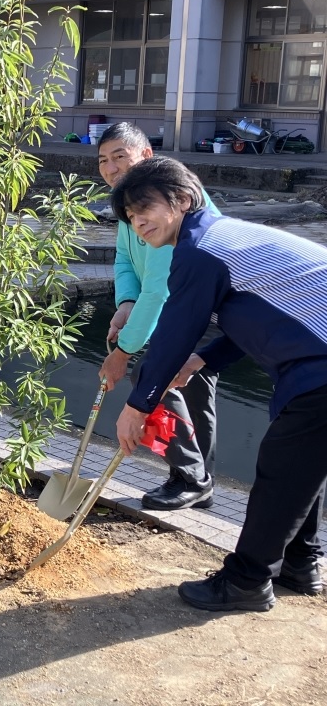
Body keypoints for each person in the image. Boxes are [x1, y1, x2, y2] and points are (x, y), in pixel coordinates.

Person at [110, 156, 327, 611]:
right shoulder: (223, 239)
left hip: (319, 368)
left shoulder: (201, 248)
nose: (137, 221)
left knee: (282, 471)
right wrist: (204, 358)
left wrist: (137, 405)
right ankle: (300, 563)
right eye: (130, 216)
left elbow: (175, 331)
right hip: (312, 362)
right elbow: (263, 315)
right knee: (299, 468)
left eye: (143, 207)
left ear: (183, 200)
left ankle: (246, 582)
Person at [96, 123, 220, 510]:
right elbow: (125, 261)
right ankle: (196, 479)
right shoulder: (130, 204)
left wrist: (122, 353)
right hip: (184, 306)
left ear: (146, 156)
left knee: (157, 376)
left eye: (120, 156)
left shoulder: (162, 202)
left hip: (202, 307)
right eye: (103, 160)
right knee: (190, 387)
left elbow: (159, 289)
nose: (111, 167)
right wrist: (125, 304)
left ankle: (191, 476)